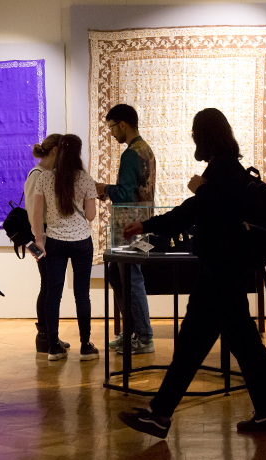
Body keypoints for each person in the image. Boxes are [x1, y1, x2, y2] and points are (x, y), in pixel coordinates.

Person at [118, 108, 266, 439]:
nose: (193, 138)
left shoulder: (222, 168)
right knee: (238, 342)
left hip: (220, 273)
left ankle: (159, 415)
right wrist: (150, 223)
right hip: (225, 272)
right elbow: (197, 210)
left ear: (205, 135)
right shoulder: (226, 166)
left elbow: (215, 209)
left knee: (194, 345)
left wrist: (199, 190)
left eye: (196, 133)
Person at [97, 104, 156, 354]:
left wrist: (104, 188)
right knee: (116, 274)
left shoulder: (131, 154)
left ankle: (143, 337)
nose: (111, 133)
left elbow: (125, 194)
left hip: (130, 227)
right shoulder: (146, 149)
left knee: (131, 278)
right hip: (140, 223)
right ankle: (132, 330)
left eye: (112, 127)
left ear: (123, 124)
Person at [33, 134, 99, 361]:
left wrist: (38, 240)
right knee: (82, 294)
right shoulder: (86, 179)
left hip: (54, 241)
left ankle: (53, 347)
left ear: (58, 151)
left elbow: (37, 213)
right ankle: (85, 346)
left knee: (53, 294)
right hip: (81, 242)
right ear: (78, 152)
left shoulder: (44, 178)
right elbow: (90, 215)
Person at [24, 135, 70, 354]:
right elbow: (34, 212)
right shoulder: (38, 175)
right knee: (49, 286)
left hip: (47, 238)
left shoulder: (48, 174)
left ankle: (50, 336)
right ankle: (45, 336)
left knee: (50, 286)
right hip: (41, 240)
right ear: (55, 151)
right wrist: (39, 242)